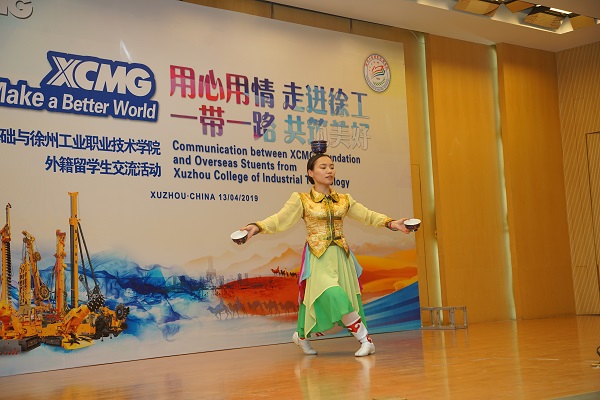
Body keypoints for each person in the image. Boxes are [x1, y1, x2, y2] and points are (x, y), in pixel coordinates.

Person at [240, 142, 411, 357]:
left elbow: (367, 215)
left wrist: (392, 223)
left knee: (322, 299)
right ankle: (366, 340)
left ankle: (301, 336)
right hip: (318, 256)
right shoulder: (302, 200)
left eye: (331, 166)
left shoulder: (344, 200)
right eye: (323, 167)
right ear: (310, 173)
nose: (329, 170)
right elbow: (279, 219)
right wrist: (257, 227)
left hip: (341, 256)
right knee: (333, 295)